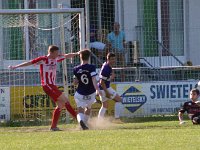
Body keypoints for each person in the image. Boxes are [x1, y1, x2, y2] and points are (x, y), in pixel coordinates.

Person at [8, 45, 78, 131]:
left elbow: (67, 55)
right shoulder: (43, 59)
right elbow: (30, 62)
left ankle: (53, 127)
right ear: (51, 52)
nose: (57, 54)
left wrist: (77, 53)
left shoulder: (56, 58)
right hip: (47, 85)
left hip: (53, 85)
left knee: (60, 105)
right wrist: (16, 67)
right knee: (65, 100)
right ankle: (79, 120)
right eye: (56, 53)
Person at [73, 49, 102, 130]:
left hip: (80, 93)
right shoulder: (91, 67)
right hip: (90, 93)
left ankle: (81, 121)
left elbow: (75, 82)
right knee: (88, 108)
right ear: (89, 57)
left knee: (80, 110)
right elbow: (93, 79)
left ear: (80, 57)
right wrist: (97, 89)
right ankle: (84, 124)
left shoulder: (76, 69)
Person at [97, 52, 123, 122]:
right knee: (119, 100)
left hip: (102, 88)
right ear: (108, 59)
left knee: (105, 105)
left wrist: (111, 77)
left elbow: (104, 80)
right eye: (112, 59)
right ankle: (117, 119)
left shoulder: (107, 65)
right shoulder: (106, 68)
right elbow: (101, 82)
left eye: (114, 59)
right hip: (105, 88)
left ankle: (99, 122)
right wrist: (107, 92)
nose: (113, 61)